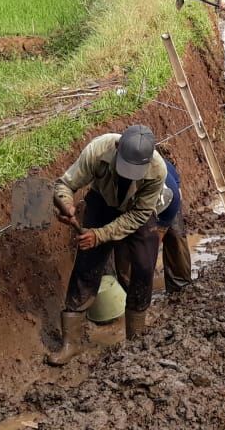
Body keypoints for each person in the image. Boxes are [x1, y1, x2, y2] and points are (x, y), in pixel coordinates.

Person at [49, 125, 167, 365]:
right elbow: (64, 184)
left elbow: (137, 216)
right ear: (117, 148)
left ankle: (136, 339)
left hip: (137, 214)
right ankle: (72, 342)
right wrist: (66, 204)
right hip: (102, 204)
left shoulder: (157, 170)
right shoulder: (98, 149)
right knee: (86, 266)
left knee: (143, 268)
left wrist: (100, 235)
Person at [154, 158, 190, 294]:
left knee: (175, 237)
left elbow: (162, 226)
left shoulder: (170, 191)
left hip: (168, 196)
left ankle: (180, 288)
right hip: (135, 202)